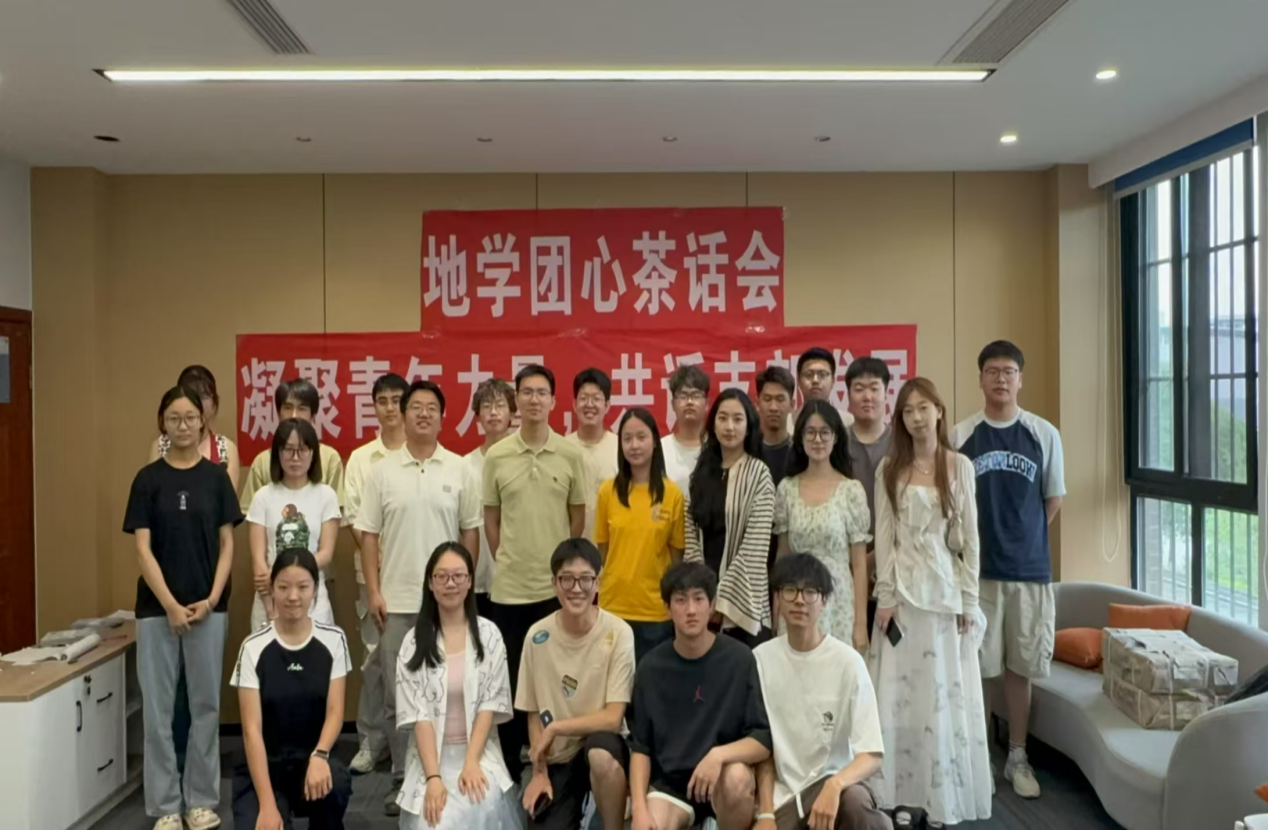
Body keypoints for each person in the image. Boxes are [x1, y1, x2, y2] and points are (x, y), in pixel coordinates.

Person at [354, 380, 483, 815]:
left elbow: (469, 532)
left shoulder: (459, 469)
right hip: (397, 601)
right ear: (403, 415)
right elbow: (368, 536)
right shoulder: (382, 471)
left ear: (443, 418)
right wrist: (374, 591)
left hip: (449, 603)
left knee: (450, 692)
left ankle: (444, 774)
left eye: (432, 408)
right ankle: (401, 779)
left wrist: (464, 589)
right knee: (399, 697)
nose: (424, 414)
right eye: (416, 407)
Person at [870, 377, 990, 828]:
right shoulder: (889, 468)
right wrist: (885, 597)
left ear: (939, 411)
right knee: (900, 700)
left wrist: (969, 601)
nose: (917, 418)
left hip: (944, 597)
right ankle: (902, 794)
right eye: (908, 411)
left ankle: (940, 798)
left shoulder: (959, 466)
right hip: (902, 599)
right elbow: (884, 537)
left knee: (940, 699)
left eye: (923, 408)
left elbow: (971, 540)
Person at [124, 385, 242, 830]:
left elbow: (228, 545)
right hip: (158, 612)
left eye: (191, 417)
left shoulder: (216, 477)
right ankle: (166, 806)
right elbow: (142, 550)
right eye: (174, 418)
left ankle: (201, 801)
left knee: (205, 707)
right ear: (163, 424)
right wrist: (171, 605)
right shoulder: (147, 479)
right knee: (158, 712)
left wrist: (211, 599)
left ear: (203, 421)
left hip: (209, 610)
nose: (183, 425)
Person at [951, 340, 1065, 800]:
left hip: (1029, 572)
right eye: (993, 371)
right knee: (976, 669)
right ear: (980, 379)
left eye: (1009, 371)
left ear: (1020, 379)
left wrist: (1021, 537)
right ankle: (977, 758)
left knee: (1021, 669)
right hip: (975, 576)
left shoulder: (1043, 434)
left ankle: (1017, 756)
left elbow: (1052, 501)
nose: (1001, 379)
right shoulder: (961, 435)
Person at [482, 363, 587, 780]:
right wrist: (508, 557)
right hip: (509, 589)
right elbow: (491, 520)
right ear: (516, 400)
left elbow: (576, 517)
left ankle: (559, 765)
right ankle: (509, 770)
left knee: (555, 679)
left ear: (553, 401)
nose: (534, 399)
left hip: (554, 591)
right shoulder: (497, 455)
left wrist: (561, 571)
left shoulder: (570, 454)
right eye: (526, 392)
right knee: (510, 682)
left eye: (542, 392)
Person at [629, 561, 772, 830]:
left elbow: (761, 740)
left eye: (699, 599)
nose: (691, 610)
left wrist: (718, 755)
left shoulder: (740, 659)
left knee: (738, 778)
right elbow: (641, 747)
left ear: (712, 605)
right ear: (667, 608)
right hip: (671, 786)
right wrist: (638, 808)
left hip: (722, 778)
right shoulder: (650, 667)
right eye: (681, 600)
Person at [753, 554, 891, 830]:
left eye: (810, 592)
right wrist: (765, 813)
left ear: (824, 601)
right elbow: (761, 747)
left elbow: (872, 754)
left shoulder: (848, 663)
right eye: (790, 590)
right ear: (777, 599)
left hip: (834, 788)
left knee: (860, 809)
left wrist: (835, 784)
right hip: (784, 799)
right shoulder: (760, 660)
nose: (799, 600)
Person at [394, 542, 519, 830]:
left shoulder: (489, 635)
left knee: (481, 803)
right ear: (430, 583)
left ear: (470, 580)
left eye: (459, 576)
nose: (451, 584)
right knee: (435, 820)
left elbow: (489, 705)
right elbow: (419, 716)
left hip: (478, 752)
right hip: (430, 759)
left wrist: (472, 762)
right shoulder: (413, 641)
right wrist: (433, 778)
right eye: (442, 576)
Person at [230, 548, 352, 830]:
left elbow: (335, 712)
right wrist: (267, 805)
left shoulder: (334, 640)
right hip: (265, 766)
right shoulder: (253, 647)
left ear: (315, 590)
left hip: (312, 759)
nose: (293, 596)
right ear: (272, 590)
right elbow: (251, 730)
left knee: (335, 781)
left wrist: (320, 755)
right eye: (283, 587)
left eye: (302, 587)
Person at [517, 539, 636, 830]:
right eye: (566, 579)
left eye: (585, 579)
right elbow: (533, 711)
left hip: (603, 744)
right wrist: (539, 772)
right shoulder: (537, 636)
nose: (576, 588)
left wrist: (556, 727)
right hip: (558, 757)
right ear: (554, 583)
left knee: (600, 755)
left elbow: (612, 718)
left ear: (598, 583)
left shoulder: (619, 632)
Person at [343, 372, 410, 775]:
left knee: (413, 661)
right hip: (372, 575)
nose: (390, 408)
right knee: (373, 660)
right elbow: (356, 519)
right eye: (382, 401)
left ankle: (413, 746)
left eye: (397, 400)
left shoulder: (420, 453)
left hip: (412, 577)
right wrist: (378, 562)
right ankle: (371, 741)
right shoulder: (361, 459)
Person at [774, 401, 871, 652]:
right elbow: (782, 555)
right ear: (800, 437)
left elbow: (859, 565)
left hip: (838, 601)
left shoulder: (851, 491)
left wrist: (860, 623)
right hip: (796, 598)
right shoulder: (786, 489)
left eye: (825, 432)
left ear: (836, 437)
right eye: (810, 432)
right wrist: (776, 607)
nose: (817, 440)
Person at [684, 388, 776, 648]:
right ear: (713, 424)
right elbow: (691, 540)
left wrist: (721, 601)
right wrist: (702, 595)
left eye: (737, 419)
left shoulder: (759, 474)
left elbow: (755, 548)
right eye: (722, 418)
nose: (729, 427)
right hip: (702, 608)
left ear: (749, 426)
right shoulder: (701, 473)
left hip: (744, 608)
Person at [595, 407, 686, 661]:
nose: (634, 445)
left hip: (655, 611)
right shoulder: (607, 491)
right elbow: (603, 551)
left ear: (655, 441)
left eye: (641, 437)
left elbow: (676, 557)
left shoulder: (672, 494)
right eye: (627, 438)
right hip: (613, 607)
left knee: (652, 681)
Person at [246, 418, 341, 629]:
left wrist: (289, 571)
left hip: (313, 602)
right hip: (270, 599)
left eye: (302, 450)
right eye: (288, 450)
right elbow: (259, 562)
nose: (295, 458)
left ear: (313, 453)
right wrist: (271, 610)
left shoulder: (326, 496)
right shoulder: (262, 497)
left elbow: (326, 554)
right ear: (277, 454)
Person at [240, 377, 345, 513]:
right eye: (288, 408)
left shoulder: (330, 458)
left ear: (313, 416)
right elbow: (250, 513)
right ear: (278, 413)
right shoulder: (262, 461)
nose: (294, 415)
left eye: (302, 408)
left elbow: (335, 513)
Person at [843, 357, 893, 636]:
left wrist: (876, 558)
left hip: (894, 569)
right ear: (848, 396)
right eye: (859, 389)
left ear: (887, 393)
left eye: (874, 388)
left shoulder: (902, 444)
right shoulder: (836, 443)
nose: (867, 396)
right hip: (846, 567)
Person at [464, 377, 516, 619]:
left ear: (512, 413)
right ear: (477, 416)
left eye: (500, 405)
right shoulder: (465, 465)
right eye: (486, 406)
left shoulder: (523, 460)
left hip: (516, 578)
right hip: (477, 579)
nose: (493, 413)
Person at [149, 364, 242, 493]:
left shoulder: (226, 449)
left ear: (214, 404)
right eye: (191, 393)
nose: (197, 400)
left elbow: (227, 499)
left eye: (203, 395)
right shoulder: (160, 446)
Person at [566, 367, 620, 542]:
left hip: (613, 548)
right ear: (574, 404)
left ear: (607, 405)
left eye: (596, 398)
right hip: (571, 549)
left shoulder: (621, 448)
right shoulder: (562, 448)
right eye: (583, 398)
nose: (589, 405)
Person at [662, 364, 711, 496]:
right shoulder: (660, 449)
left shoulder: (718, 447)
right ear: (673, 404)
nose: (689, 402)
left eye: (696, 395)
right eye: (683, 396)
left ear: (707, 404)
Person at [755, 365, 796, 488]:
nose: (773, 407)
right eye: (767, 399)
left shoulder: (800, 451)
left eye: (780, 399)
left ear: (792, 405)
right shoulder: (747, 451)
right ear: (757, 403)